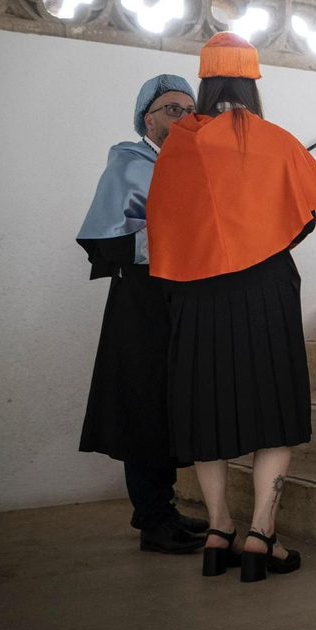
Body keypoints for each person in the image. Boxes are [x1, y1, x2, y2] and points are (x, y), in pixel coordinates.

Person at [148, 32, 316, 582]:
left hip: (195, 292)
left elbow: (162, 226)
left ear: (204, 82)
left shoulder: (177, 146)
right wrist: (258, 243)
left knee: (204, 409)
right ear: (253, 82)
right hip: (264, 291)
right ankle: (261, 536)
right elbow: (304, 218)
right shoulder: (275, 140)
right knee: (271, 409)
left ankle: (217, 530)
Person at [76, 74, 209, 554]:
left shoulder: (192, 162)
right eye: (172, 108)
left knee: (172, 403)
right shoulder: (130, 164)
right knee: (144, 403)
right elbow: (110, 241)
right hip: (142, 301)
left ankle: (161, 507)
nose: (183, 117)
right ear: (147, 118)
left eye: (190, 110)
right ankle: (153, 521)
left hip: (182, 297)